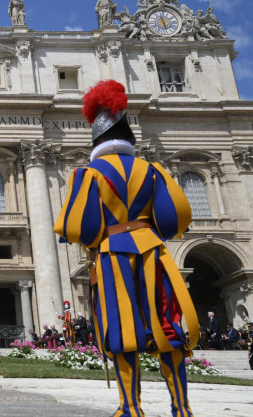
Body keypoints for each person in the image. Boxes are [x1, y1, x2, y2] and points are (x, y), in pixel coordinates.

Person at [55, 79, 199, 417]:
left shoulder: (87, 174)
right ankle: (182, 408)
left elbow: (80, 226)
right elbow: (172, 219)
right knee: (168, 324)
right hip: (153, 252)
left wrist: (94, 240)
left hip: (112, 254)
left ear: (97, 141)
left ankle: (130, 408)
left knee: (122, 328)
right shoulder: (153, 170)